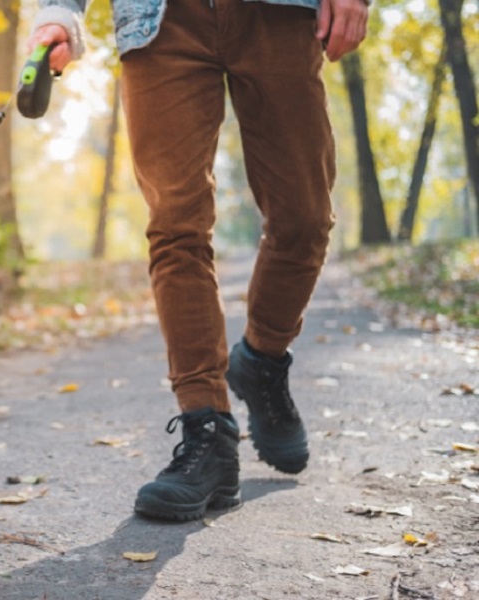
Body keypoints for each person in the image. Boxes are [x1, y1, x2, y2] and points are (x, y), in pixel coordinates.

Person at [26, 0, 368, 521]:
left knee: (305, 216)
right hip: (160, 22)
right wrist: (60, 12)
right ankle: (207, 430)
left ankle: (263, 359)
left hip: (278, 14)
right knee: (176, 226)